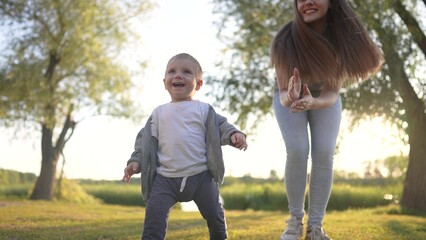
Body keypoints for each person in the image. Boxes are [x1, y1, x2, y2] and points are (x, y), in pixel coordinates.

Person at [270, 0, 383, 240]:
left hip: (323, 99)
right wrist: (292, 96)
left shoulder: (341, 38)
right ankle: (294, 221)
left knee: (324, 153)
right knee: (298, 149)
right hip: (289, 98)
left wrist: (314, 102)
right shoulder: (285, 39)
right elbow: (282, 95)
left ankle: (315, 227)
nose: (307, 2)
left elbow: (331, 93)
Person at [123, 53, 248, 240]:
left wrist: (234, 135)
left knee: (215, 216)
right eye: (172, 71)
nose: (178, 75)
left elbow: (221, 125)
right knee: (153, 219)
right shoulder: (158, 114)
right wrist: (136, 161)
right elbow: (144, 142)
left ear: (198, 84)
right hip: (165, 179)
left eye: (186, 72)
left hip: (200, 177)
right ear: (165, 82)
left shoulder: (203, 110)